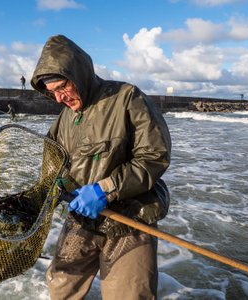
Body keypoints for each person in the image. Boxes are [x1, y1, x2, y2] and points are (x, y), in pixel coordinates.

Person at [31, 35, 171, 300]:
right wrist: (49, 190)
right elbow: (53, 165)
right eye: (52, 93)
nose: (59, 98)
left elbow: (154, 156)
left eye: (62, 87)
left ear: (79, 74)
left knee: (130, 296)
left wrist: (104, 189)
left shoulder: (127, 98)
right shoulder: (64, 118)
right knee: (61, 288)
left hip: (129, 220)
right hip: (82, 220)